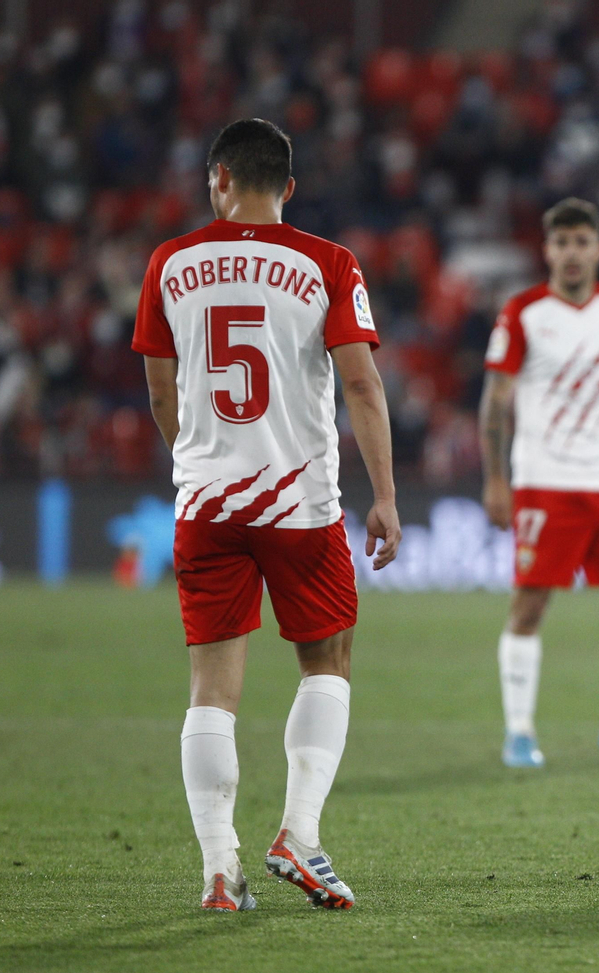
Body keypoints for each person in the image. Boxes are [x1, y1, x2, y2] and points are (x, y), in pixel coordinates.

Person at [133, 118, 401, 911]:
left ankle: (220, 869)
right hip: (299, 505)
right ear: (288, 187)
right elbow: (361, 386)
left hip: (207, 504)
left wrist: (200, 462)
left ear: (217, 178)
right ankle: (301, 835)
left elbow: (159, 391)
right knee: (329, 663)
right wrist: (384, 496)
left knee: (210, 688)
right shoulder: (328, 263)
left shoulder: (168, 263)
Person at [479, 198, 599, 768]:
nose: (571, 252)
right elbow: (496, 400)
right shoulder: (522, 312)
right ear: (547, 251)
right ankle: (519, 732)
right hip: (544, 482)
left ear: (598, 249)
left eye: (580, 242)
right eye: (561, 242)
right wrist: (497, 480)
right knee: (529, 605)